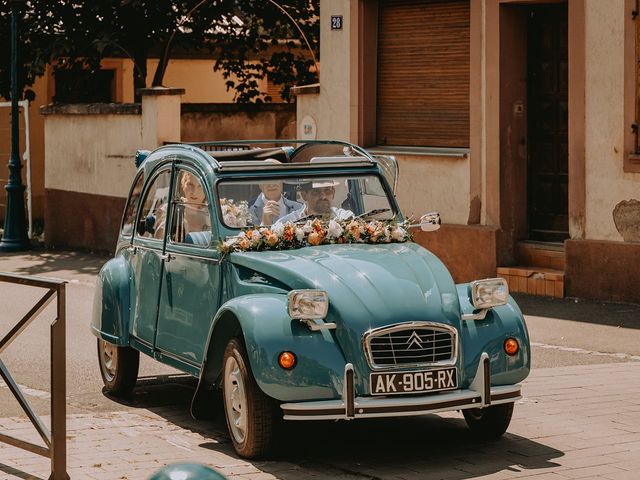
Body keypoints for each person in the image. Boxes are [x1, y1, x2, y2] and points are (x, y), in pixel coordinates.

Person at [278, 180, 354, 223]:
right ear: (304, 195)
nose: (323, 196)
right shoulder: (288, 223)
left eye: (327, 190)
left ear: (333, 193)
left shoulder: (345, 217)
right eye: (316, 191)